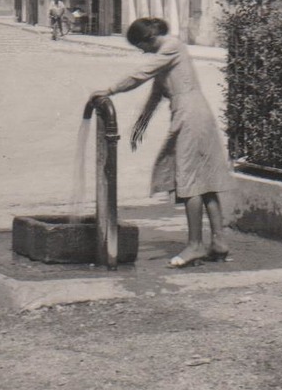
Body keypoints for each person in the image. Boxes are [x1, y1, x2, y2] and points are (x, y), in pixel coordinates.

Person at [91, 17, 234, 268]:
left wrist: (110, 90)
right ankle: (219, 243)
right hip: (194, 113)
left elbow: (141, 75)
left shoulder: (171, 46)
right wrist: (141, 124)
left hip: (189, 115)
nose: (142, 52)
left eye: (140, 46)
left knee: (188, 181)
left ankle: (195, 246)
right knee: (205, 181)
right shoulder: (168, 54)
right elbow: (156, 93)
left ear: (149, 38)